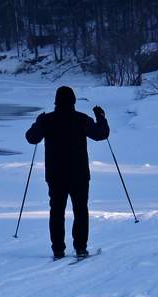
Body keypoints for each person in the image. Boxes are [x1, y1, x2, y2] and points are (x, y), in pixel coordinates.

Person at [25, 85, 109, 259]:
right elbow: (102, 134)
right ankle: (80, 248)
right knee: (80, 210)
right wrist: (101, 117)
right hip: (79, 173)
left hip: (55, 175)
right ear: (73, 101)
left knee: (56, 211)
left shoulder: (48, 120)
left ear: (56, 101)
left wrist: (38, 123)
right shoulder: (81, 119)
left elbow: (32, 138)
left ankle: (58, 249)